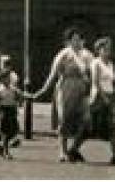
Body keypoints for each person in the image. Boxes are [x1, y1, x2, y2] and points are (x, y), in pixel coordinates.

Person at [34, 29, 93, 163]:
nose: (77, 42)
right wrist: (43, 90)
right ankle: (63, 151)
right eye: (74, 39)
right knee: (65, 120)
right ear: (68, 41)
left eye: (79, 39)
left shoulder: (87, 55)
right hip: (66, 88)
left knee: (87, 122)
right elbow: (53, 74)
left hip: (82, 90)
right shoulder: (64, 54)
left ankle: (74, 149)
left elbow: (93, 72)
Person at [92, 37, 115, 164]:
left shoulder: (110, 64)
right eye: (105, 48)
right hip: (99, 97)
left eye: (109, 49)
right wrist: (104, 98)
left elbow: (112, 81)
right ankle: (73, 149)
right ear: (99, 50)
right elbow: (95, 82)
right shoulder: (96, 63)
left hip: (110, 96)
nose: (108, 51)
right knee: (91, 128)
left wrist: (113, 99)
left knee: (113, 127)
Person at [0, 57, 23, 159]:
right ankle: (6, 151)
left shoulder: (13, 87)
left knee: (14, 130)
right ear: (2, 80)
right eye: (6, 78)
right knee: (5, 131)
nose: (9, 80)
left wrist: (21, 100)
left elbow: (19, 95)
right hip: (4, 110)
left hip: (12, 109)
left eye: (9, 78)